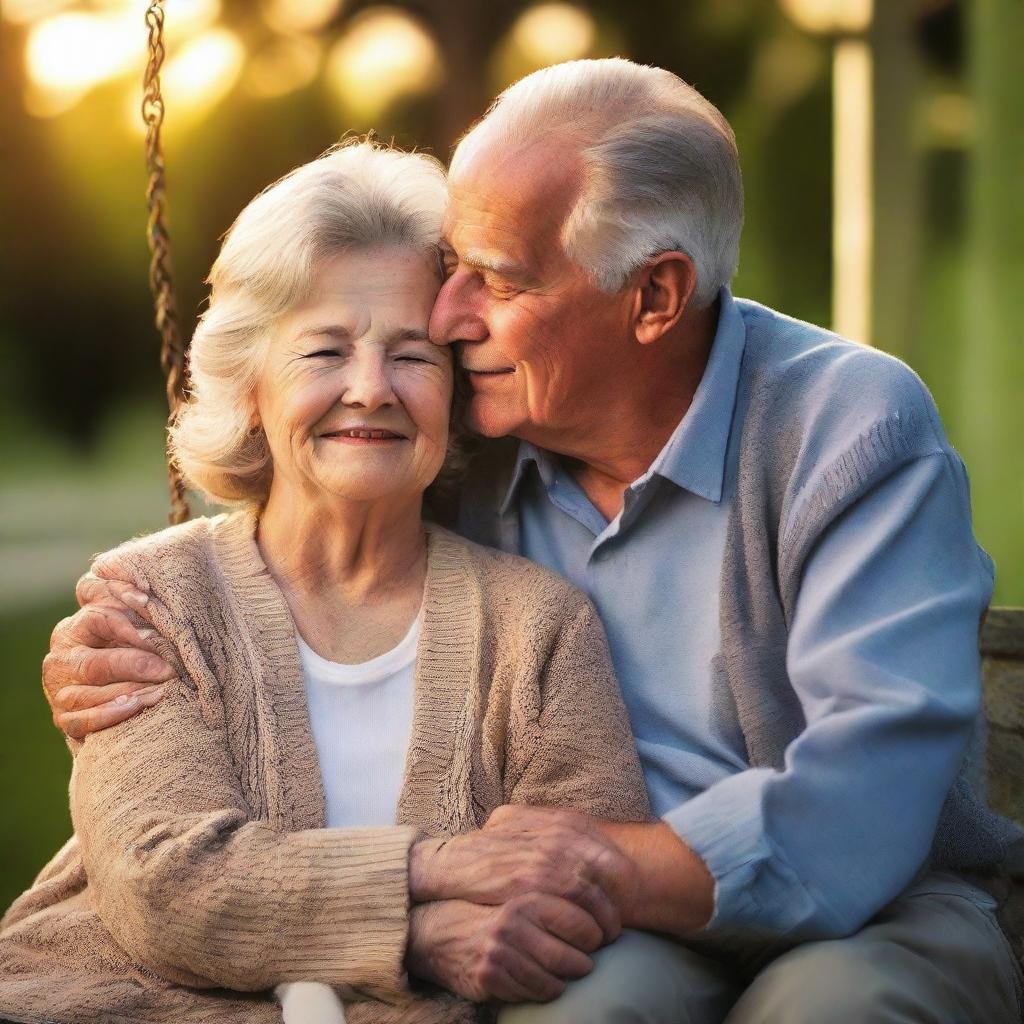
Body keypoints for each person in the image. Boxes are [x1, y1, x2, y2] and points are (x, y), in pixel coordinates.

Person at [39, 58, 1024, 1022]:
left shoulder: (848, 427)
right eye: (451, 268)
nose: (449, 316)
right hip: (615, 926)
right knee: (581, 1006)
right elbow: (313, 498)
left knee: (831, 1006)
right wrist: (128, 633)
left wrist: (592, 861)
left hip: (874, 908)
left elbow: (867, 799)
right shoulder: (475, 425)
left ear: (654, 296)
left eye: (496, 280)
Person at [0, 139, 652, 1024]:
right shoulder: (146, 603)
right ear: (251, 386)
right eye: (324, 352)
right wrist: (423, 904)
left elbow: (568, 884)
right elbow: (169, 887)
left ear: (457, 393)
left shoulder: (539, 628)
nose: (372, 389)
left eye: (414, 355)